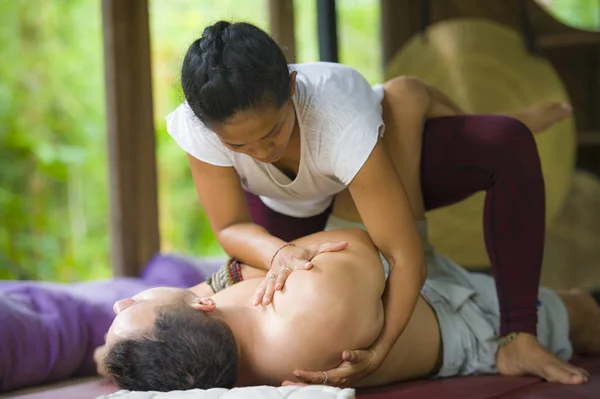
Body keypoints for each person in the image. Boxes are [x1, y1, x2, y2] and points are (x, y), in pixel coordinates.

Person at [166, 20, 576, 384]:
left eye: (273, 132)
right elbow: (231, 228)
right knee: (255, 272)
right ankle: (412, 99)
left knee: (490, 134)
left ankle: (521, 335)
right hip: (290, 207)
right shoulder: (201, 124)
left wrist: (380, 351)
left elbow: (404, 256)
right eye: (238, 144)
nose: (260, 152)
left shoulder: (338, 116)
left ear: (292, 88)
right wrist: (280, 253)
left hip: (369, 168)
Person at [98, 225, 596, 392]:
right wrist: (283, 256)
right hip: (459, 322)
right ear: (204, 306)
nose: (123, 299)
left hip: (408, 296)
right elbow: (358, 243)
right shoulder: (308, 309)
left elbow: (120, 357)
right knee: (578, 313)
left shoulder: (200, 353)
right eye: (134, 305)